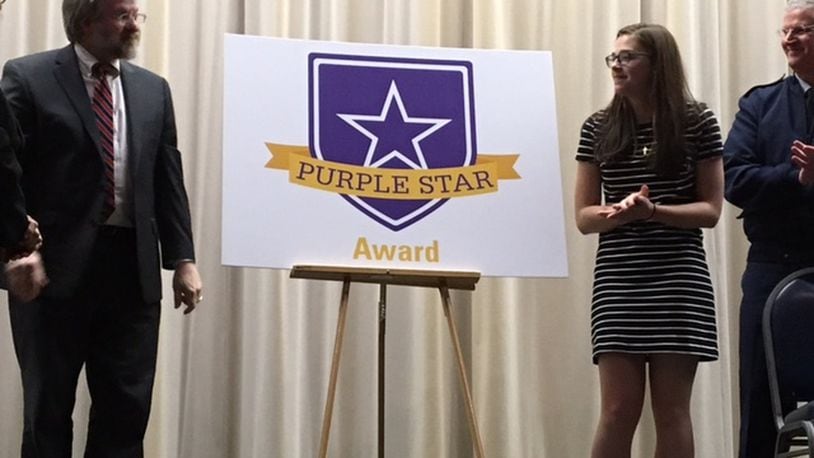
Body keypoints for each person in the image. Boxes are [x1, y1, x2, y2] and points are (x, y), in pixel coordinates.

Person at [1, 0, 203, 455]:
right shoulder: (27, 77)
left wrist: (183, 260)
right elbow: (6, 170)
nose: (134, 25)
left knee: (126, 413)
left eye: (137, 14)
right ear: (87, 19)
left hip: (131, 274)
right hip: (51, 274)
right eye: (123, 15)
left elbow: (167, 179)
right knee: (48, 414)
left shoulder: (154, 90)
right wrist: (16, 249)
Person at [575, 23, 723, 457]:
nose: (617, 66)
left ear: (658, 64)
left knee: (672, 411)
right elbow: (585, 218)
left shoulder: (698, 122)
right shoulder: (598, 127)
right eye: (614, 58)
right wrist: (618, 213)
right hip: (620, 284)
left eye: (628, 57)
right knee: (618, 410)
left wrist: (653, 211)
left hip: (678, 282)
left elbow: (711, 210)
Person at [724, 1, 814, 456]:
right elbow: (734, 180)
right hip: (771, 262)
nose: (790, 39)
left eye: (802, 30)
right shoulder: (759, 104)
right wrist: (795, 177)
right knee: (759, 394)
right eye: (785, 31)